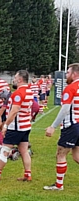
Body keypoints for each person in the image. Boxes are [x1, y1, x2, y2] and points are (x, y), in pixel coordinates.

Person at [0, 70, 33, 181]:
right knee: (24, 151)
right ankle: (28, 174)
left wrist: (6, 125)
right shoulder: (29, 91)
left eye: (15, 78)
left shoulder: (18, 93)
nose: (13, 80)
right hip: (25, 126)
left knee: (4, 150)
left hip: (16, 127)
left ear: (20, 79)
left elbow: (14, 111)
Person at [43, 63, 79, 191]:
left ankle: (59, 185)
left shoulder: (71, 88)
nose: (66, 76)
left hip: (72, 125)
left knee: (61, 153)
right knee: (76, 156)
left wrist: (53, 126)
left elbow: (65, 110)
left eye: (68, 73)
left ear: (74, 74)